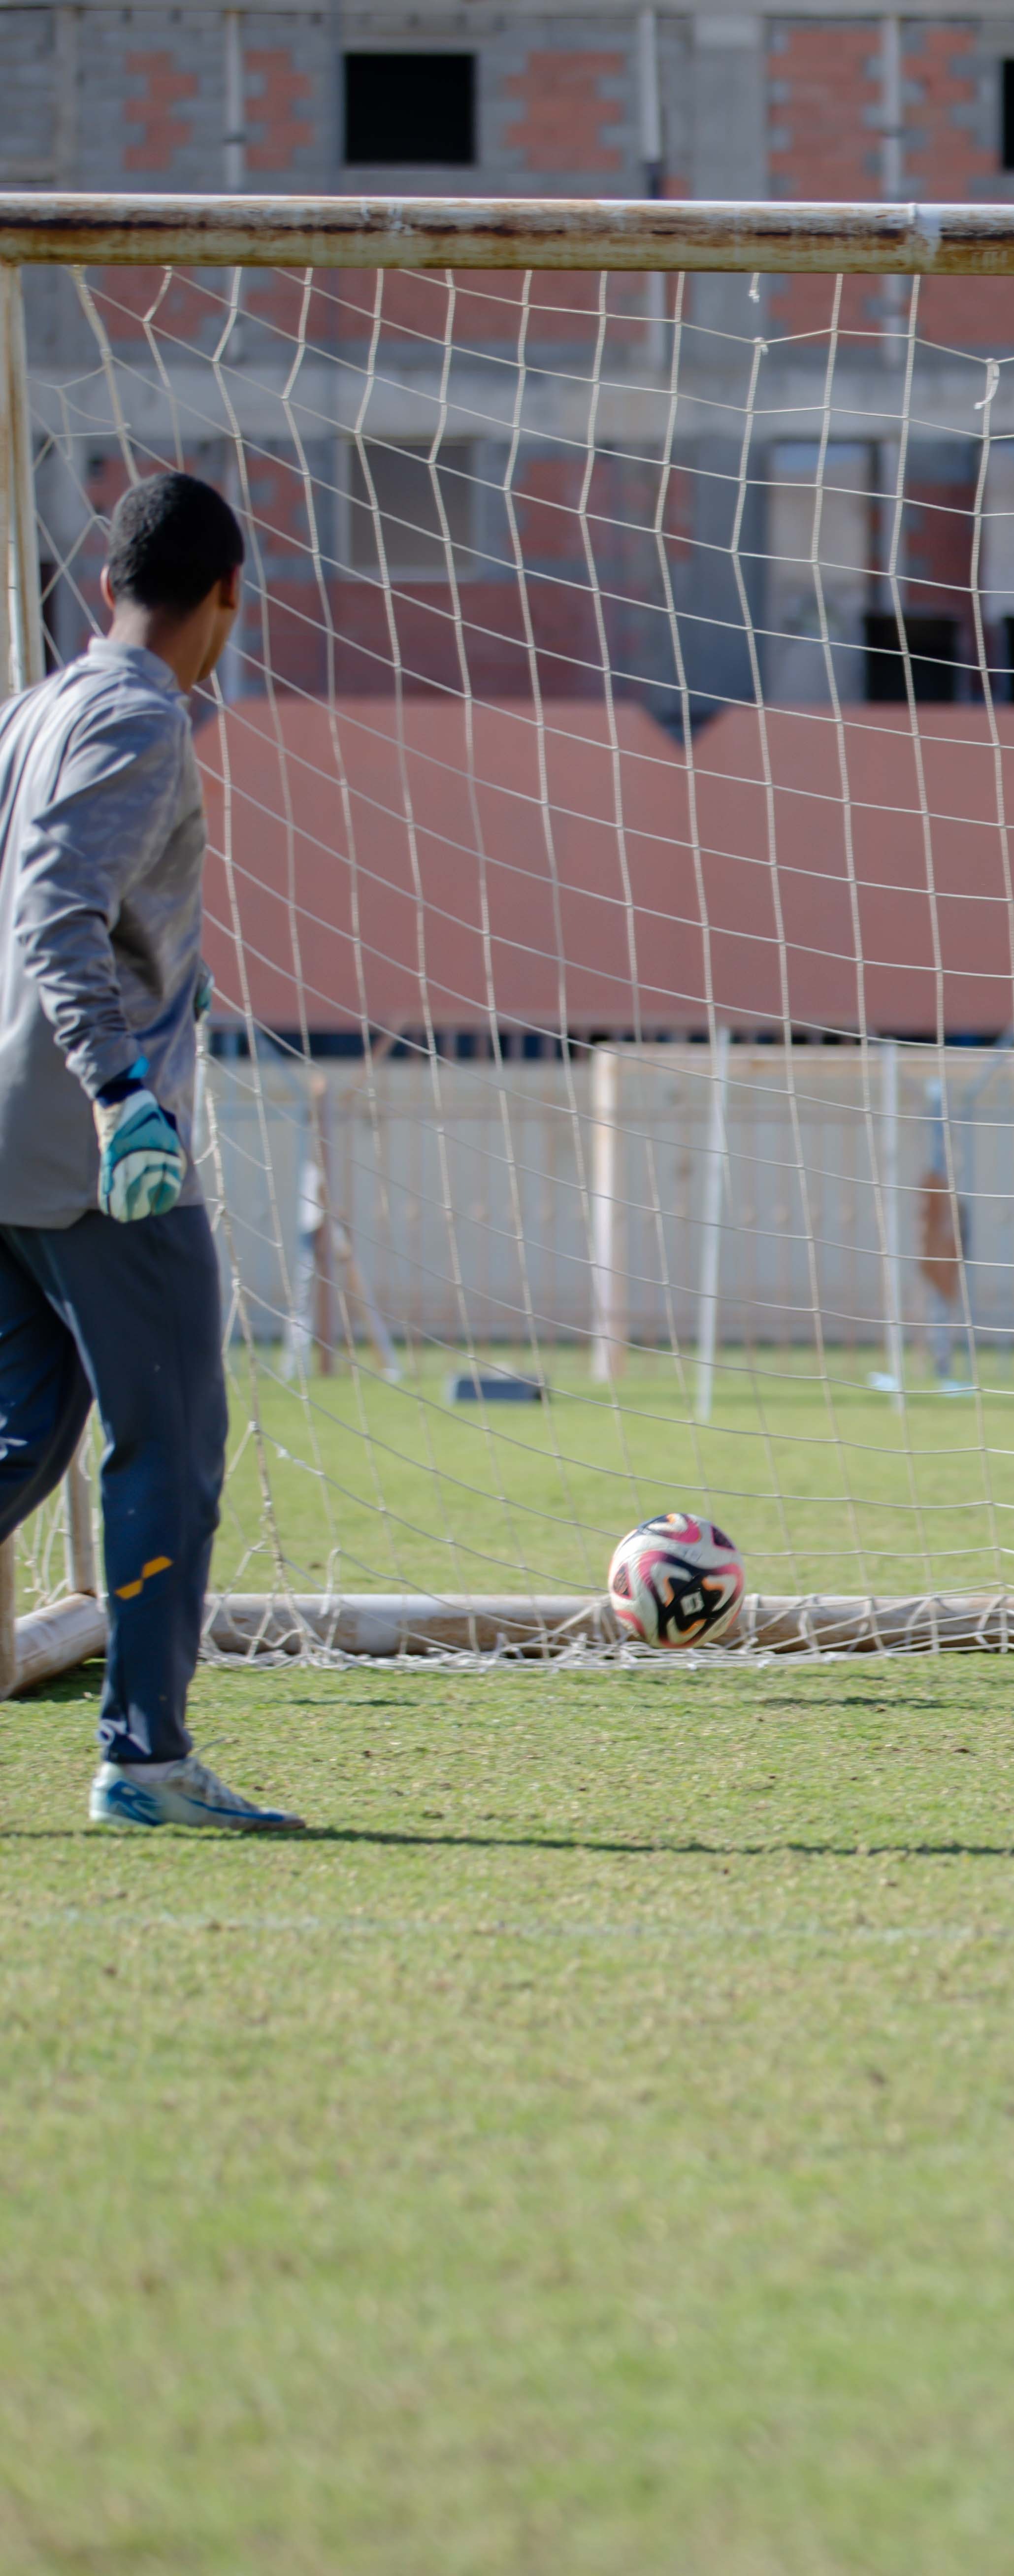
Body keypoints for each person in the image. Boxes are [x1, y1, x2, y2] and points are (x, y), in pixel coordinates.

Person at [0, 472, 294, 1830]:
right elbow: (58, 911)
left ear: (103, 584)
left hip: (11, 1135)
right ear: (226, 595)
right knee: (168, 1431)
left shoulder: (38, 706)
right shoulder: (138, 717)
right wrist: (125, 1096)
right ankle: (146, 1755)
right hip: (86, 1144)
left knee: (22, 1434)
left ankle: (145, 1747)